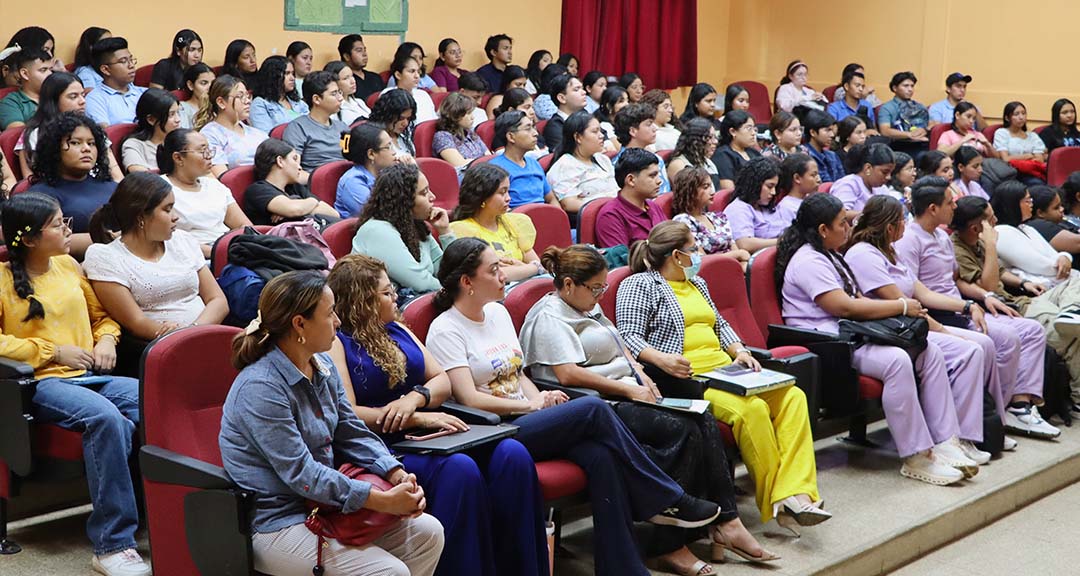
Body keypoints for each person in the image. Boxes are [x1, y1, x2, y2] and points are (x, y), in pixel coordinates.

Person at [426, 237, 724, 576]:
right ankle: (663, 497)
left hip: (528, 414)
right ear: (467, 282)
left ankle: (622, 567)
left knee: (601, 455)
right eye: (494, 270)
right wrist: (531, 406)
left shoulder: (496, 313)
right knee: (594, 409)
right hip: (496, 431)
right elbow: (469, 399)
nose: (504, 276)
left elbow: (517, 372)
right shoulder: (445, 329)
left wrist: (537, 397)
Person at [521, 244, 778, 573]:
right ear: (569, 284)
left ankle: (724, 521)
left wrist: (643, 377)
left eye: (604, 287)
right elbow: (567, 374)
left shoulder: (586, 307)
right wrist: (629, 388)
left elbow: (621, 348)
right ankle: (668, 526)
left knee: (702, 419)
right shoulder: (550, 315)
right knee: (681, 430)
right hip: (597, 402)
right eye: (595, 288)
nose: (601, 294)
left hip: (627, 392)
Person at [326, 254, 547, 576]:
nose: (396, 296)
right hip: (381, 446)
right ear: (362, 302)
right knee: (459, 469)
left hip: (433, 429)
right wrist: (413, 417)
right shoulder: (337, 343)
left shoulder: (397, 329)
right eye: (386, 293)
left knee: (512, 454)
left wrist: (415, 399)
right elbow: (349, 413)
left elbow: (441, 379)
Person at [220, 271, 445, 576]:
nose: (338, 322)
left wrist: (395, 473)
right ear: (299, 324)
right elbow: (301, 473)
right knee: (389, 572)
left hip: (326, 507)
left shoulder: (322, 365)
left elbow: (352, 432)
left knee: (429, 533)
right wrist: (379, 501)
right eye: (330, 314)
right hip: (278, 521)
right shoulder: (260, 387)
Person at [618, 221, 829, 532]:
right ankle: (778, 500)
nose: (700, 254)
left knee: (793, 396)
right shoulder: (639, 285)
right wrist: (661, 359)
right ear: (677, 255)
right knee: (753, 410)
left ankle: (797, 491)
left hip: (726, 369)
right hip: (689, 377)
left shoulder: (697, 284)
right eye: (694, 248)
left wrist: (739, 351)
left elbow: (720, 325)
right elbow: (629, 335)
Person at [0, 192, 150, 576]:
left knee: (153, 402)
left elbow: (103, 318)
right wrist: (51, 351)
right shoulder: (2, 281)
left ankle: (161, 510)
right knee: (107, 419)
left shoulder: (68, 265)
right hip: (40, 383)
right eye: (56, 224)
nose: (68, 229)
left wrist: (106, 340)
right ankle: (112, 544)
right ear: (30, 238)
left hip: (91, 375)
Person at [776, 193, 973, 485]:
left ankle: (944, 440)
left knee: (927, 351)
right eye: (843, 223)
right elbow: (842, 307)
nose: (849, 227)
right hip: (827, 343)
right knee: (896, 360)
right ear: (822, 230)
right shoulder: (808, 261)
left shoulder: (831, 254)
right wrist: (901, 306)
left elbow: (854, 300)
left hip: (851, 333)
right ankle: (916, 454)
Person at [896, 177, 1057, 438]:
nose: (954, 209)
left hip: (962, 304)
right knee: (1005, 338)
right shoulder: (909, 241)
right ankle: (995, 416)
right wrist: (967, 305)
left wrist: (985, 295)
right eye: (950, 203)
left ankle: (1018, 405)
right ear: (933, 209)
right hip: (942, 312)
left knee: (1031, 330)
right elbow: (916, 291)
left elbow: (956, 280)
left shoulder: (941, 236)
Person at [843, 195, 992, 465]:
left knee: (977, 345)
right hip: (894, 331)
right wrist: (946, 332)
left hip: (913, 326)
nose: (906, 225)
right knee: (969, 350)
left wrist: (966, 305)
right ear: (889, 227)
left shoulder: (891, 250)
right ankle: (949, 439)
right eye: (902, 220)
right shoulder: (862, 254)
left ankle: (961, 439)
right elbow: (904, 304)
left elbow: (921, 293)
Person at [84, 172, 228, 373]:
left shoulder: (183, 241)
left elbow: (218, 300)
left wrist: (195, 331)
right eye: (167, 209)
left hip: (206, 333)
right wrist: (180, 339)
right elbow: (135, 322)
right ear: (141, 216)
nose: (176, 216)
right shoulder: (105, 256)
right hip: (158, 350)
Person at [953, 195, 1080, 416]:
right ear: (975, 228)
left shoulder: (982, 240)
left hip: (1025, 296)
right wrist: (991, 245)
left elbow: (1001, 273)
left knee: (1076, 280)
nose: (995, 224)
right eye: (991, 221)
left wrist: (1024, 283)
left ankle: (1070, 312)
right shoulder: (959, 249)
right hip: (1010, 308)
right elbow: (989, 287)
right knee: (1073, 336)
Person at [351, 163, 455, 298]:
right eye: (424, 193)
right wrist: (459, 292)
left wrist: (445, 231)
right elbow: (420, 283)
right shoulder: (377, 231)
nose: (432, 197)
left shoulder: (416, 225)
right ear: (404, 200)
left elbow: (448, 271)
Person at [28, 112, 116, 257]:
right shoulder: (40, 196)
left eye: (91, 143)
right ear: (55, 149)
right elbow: (44, 242)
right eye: (75, 142)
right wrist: (115, 239)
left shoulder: (111, 186)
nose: (86, 148)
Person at [159, 128, 252, 256]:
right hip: (192, 256)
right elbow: (168, 239)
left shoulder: (215, 186)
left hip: (229, 248)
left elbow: (244, 225)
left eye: (209, 150)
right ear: (178, 158)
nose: (209, 156)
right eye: (202, 151)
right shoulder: (161, 189)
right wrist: (219, 253)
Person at [449, 163, 543, 282]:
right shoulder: (463, 230)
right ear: (483, 197)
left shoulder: (514, 222)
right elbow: (492, 276)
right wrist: (531, 268)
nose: (508, 198)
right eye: (502, 192)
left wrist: (528, 268)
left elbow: (538, 264)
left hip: (522, 285)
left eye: (508, 191)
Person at [990, 182, 1074, 288]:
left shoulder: (1026, 228)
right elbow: (1044, 267)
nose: (1031, 204)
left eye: (1031, 200)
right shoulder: (1001, 232)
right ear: (1013, 205)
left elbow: (1054, 254)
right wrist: (1063, 260)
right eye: (1027, 201)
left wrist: (1064, 256)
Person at [244, 138, 339, 228]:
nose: (300, 167)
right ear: (280, 161)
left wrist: (296, 202)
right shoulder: (258, 190)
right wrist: (310, 203)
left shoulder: (294, 187)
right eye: (294, 159)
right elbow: (295, 209)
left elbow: (333, 213)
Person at [671, 166, 750, 266]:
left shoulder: (718, 217)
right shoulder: (683, 221)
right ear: (690, 191)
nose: (712, 192)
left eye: (711, 186)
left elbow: (738, 252)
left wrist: (740, 262)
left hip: (733, 268)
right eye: (705, 187)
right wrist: (737, 254)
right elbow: (702, 260)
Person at [545, 110, 618, 214]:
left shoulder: (602, 159)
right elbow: (569, 203)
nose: (601, 136)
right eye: (595, 131)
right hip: (595, 218)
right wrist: (608, 206)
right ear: (578, 137)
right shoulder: (564, 166)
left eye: (601, 131)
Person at [595, 147, 667, 248]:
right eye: (652, 176)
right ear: (631, 180)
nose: (659, 181)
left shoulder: (653, 206)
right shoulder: (611, 216)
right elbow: (622, 261)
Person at [197, 75, 269, 176]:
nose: (248, 101)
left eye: (247, 96)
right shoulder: (209, 135)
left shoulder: (258, 133)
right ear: (221, 102)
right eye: (240, 96)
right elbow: (224, 178)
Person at [282, 70, 348, 173]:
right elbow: (292, 170)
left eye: (340, 92)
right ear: (316, 99)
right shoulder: (297, 128)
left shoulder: (343, 128)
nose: (340, 98)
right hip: (315, 184)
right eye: (334, 94)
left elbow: (350, 158)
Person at [488, 111, 556, 208]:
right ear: (511, 137)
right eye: (528, 128)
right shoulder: (496, 169)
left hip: (543, 217)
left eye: (534, 127)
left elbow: (551, 199)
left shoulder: (534, 163)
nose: (536, 133)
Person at [723, 155, 786, 252]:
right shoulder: (738, 208)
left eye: (775, 187)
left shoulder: (768, 206)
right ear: (755, 183)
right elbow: (744, 244)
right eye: (769, 186)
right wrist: (782, 242)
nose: (773, 192)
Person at [337, 122, 397, 218]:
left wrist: (412, 169)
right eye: (388, 147)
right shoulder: (352, 181)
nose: (394, 152)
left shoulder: (387, 173)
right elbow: (380, 215)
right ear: (371, 154)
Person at [85, 37, 147, 126]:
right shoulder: (95, 99)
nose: (131, 65)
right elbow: (106, 135)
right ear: (105, 69)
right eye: (123, 61)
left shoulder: (143, 93)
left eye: (131, 59)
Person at [613, 103, 672, 193]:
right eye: (649, 124)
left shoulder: (656, 158)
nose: (655, 128)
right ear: (633, 131)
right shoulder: (618, 165)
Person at [119, 89, 181, 173]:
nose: (178, 119)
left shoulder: (183, 140)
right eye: (171, 115)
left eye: (178, 112)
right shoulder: (134, 145)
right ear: (151, 119)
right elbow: (139, 175)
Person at [830, 143, 896, 218]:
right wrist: (873, 216)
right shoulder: (847, 184)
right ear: (868, 168)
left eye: (891, 173)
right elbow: (841, 215)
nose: (888, 177)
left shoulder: (882, 189)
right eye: (885, 172)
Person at [249, 55, 309, 133]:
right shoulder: (260, 104)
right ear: (273, 76)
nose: (292, 78)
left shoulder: (298, 102)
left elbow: (311, 126)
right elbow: (265, 136)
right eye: (287, 73)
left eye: (292, 73)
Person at [432, 92, 490, 170]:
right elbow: (460, 164)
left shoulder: (470, 132)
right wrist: (483, 161)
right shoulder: (442, 137)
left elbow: (488, 156)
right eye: (468, 113)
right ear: (455, 114)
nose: (472, 117)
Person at [1029, 185, 1080, 271]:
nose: (1062, 209)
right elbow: (1077, 244)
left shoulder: (1061, 220)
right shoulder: (1038, 226)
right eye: (1056, 208)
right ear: (1040, 213)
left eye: (1061, 205)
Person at [0, 48, 51, 129]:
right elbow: (18, 134)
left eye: (51, 69)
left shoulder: (57, 95)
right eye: (43, 70)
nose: (50, 74)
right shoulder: (10, 102)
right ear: (25, 74)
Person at [876, 72, 929, 147]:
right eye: (906, 86)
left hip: (921, 143)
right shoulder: (887, 108)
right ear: (894, 88)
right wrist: (909, 135)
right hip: (898, 146)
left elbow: (928, 124)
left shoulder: (919, 106)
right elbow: (885, 131)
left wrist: (925, 130)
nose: (910, 89)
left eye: (912, 86)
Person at [712, 110, 761, 190]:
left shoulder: (754, 152)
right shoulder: (722, 155)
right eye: (749, 128)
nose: (753, 133)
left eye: (754, 129)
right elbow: (728, 191)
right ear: (733, 131)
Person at [667, 118, 720, 189]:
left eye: (715, 137)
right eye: (709, 137)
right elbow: (687, 196)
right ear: (695, 141)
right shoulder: (679, 165)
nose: (715, 141)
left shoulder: (708, 162)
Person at [541, 72, 587, 154]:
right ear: (562, 98)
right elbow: (566, 154)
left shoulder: (585, 114)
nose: (584, 92)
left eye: (582, 88)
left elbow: (603, 136)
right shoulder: (555, 126)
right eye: (576, 89)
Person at [383, 54, 437, 123]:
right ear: (398, 75)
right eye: (412, 71)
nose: (417, 76)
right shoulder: (388, 95)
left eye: (418, 72)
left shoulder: (423, 95)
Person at [368, 88, 418, 159]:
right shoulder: (374, 140)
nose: (405, 123)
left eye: (408, 119)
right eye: (400, 119)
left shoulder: (405, 136)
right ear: (387, 115)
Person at [776, 153, 821, 224]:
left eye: (818, 174)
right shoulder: (787, 208)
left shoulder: (813, 200)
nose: (819, 179)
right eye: (813, 175)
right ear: (797, 178)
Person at [339, 34, 384, 101]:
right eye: (359, 50)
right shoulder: (343, 81)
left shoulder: (375, 77)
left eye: (364, 50)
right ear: (347, 56)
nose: (364, 54)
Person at [804, 109, 844, 183]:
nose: (832, 135)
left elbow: (842, 182)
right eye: (827, 130)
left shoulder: (832, 155)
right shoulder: (804, 156)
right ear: (813, 132)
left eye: (832, 130)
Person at [325, 60, 369, 125]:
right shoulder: (333, 111)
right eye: (346, 78)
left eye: (352, 76)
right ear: (334, 83)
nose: (353, 81)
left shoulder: (359, 102)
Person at [177, 62, 214, 129]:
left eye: (213, 83)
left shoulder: (218, 107)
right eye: (204, 83)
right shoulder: (182, 109)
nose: (210, 87)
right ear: (190, 85)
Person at [594, 84, 629, 152]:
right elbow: (620, 149)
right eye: (621, 101)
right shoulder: (605, 126)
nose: (627, 104)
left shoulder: (624, 123)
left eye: (627, 100)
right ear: (609, 106)